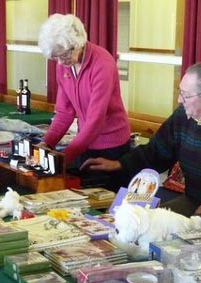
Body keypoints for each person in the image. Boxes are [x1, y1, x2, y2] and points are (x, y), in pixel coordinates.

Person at [81, 62, 201, 218]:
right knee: (144, 223)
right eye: (180, 92)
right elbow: (157, 151)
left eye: (185, 95)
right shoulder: (183, 115)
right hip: (193, 199)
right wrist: (119, 164)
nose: (179, 99)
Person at [37, 14, 131, 189]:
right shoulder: (64, 66)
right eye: (55, 58)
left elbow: (95, 120)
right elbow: (64, 113)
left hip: (111, 147)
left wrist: (64, 157)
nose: (59, 62)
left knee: (105, 207)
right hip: (84, 142)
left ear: (77, 44)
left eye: (63, 56)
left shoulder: (102, 64)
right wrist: (46, 143)